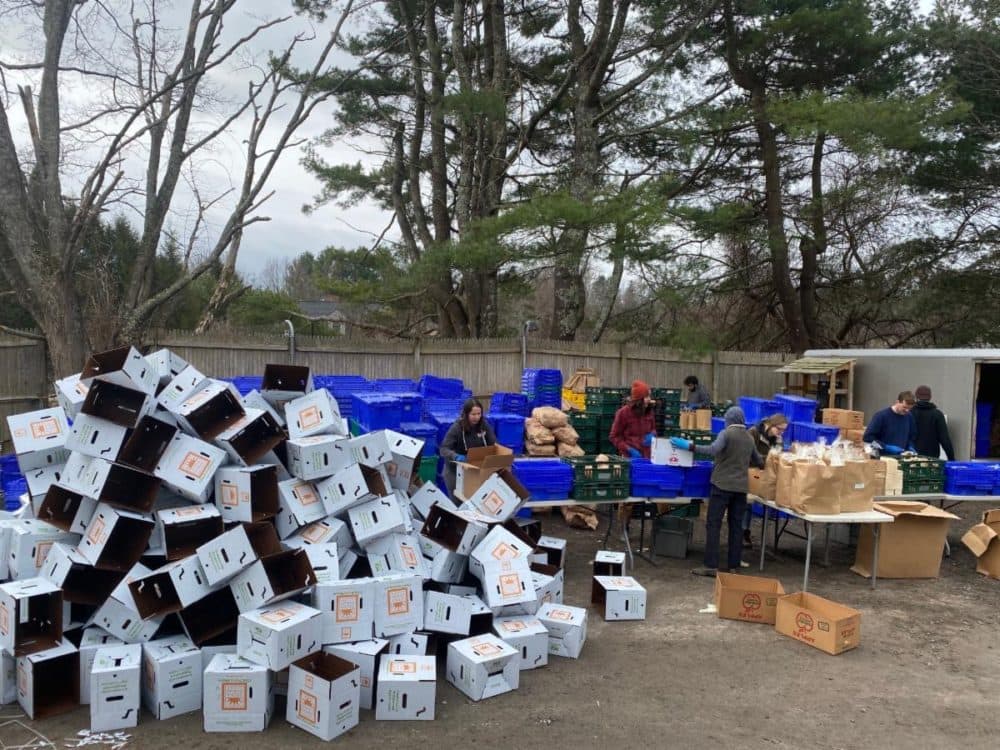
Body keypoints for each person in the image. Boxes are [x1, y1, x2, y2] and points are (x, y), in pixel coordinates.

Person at [671, 406, 763, 577]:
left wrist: (689, 446)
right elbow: (759, 461)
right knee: (736, 527)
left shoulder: (726, 434)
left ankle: (711, 565)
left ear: (729, 420)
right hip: (741, 489)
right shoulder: (750, 438)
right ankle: (733, 566)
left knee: (714, 524)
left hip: (721, 486)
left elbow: (712, 450)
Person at [742, 413, 788, 547]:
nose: (780, 433)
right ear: (769, 425)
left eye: (783, 430)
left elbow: (778, 455)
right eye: (779, 429)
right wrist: (766, 460)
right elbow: (748, 455)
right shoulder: (753, 433)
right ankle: (743, 532)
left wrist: (779, 443)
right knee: (747, 503)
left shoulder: (776, 438)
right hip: (750, 472)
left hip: (766, 474)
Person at [439, 398, 497, 499]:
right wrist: (455, 456)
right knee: (458, 503)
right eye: (473, 414)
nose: (476, 417)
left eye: (479, 414)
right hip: (455, 472)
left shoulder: (484, 426)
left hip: (475, 470)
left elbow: (493, 444)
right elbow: (444, 449)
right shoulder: (457, 428)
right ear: (466, 414)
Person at [610, 380, 656, 459]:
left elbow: (653, 429)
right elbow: (614, 437)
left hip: (647, 457)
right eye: (646, 397)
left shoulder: (649, 412)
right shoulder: (623, 413)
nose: (649, 399)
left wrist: (653, 435)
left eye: (649, 396)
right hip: (629, 458)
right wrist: (629, 449)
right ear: (639, 399)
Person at [912, 385, 955, 460]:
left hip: (911, 457)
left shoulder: (909, 413)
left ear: (916, 396)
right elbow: (945, 439)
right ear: (930, 397)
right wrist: (951, 458)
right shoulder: (937, 414)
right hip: (932, 458)